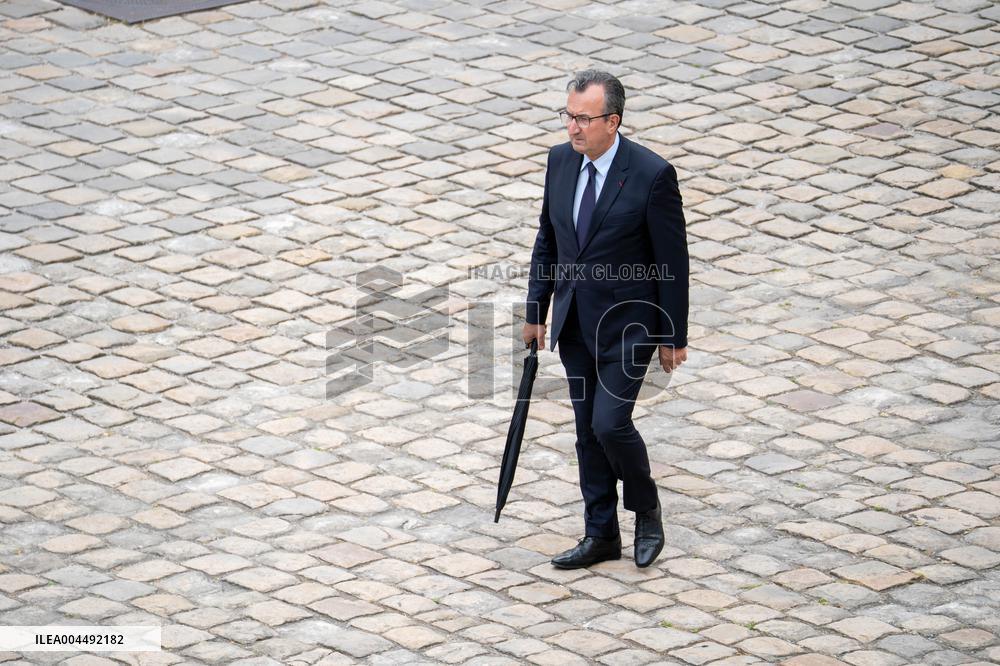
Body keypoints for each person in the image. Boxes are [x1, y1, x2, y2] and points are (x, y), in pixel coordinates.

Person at [522, 70, 689, 569]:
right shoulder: (559, 162)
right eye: (568, 116)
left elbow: (672, 262)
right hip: (574, 322)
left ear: (612, 122)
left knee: (610, 424)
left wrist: (673, 334)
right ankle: (600, 534)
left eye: (584, 119)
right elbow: (547, 240)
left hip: (629, 325)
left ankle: (647, 508)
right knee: (585, 432)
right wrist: (537, 310)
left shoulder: (652, 175)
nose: (573, 128)